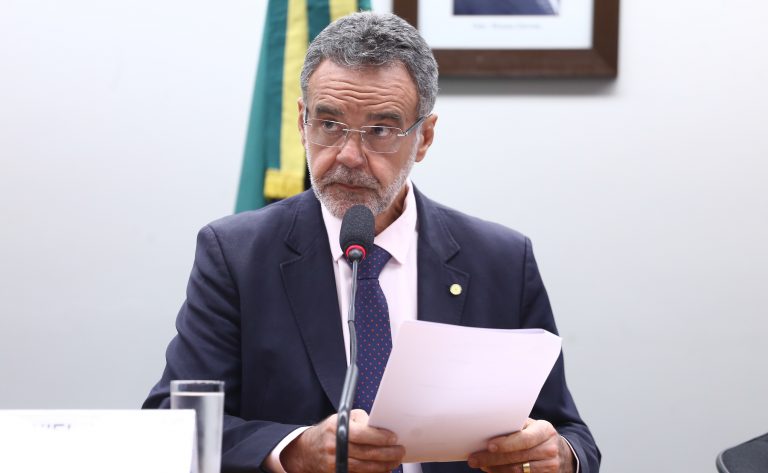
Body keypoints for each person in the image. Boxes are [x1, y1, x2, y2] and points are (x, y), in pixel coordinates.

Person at [144, 11, 600, 473]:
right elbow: (174, 425)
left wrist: (559, 456)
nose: (349, 155)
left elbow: (570, 434)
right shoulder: (236, 256)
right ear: (301, 122)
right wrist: (293, 450)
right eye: (329, 124)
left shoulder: (501, 261)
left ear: (424, 137)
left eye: (380, 131)